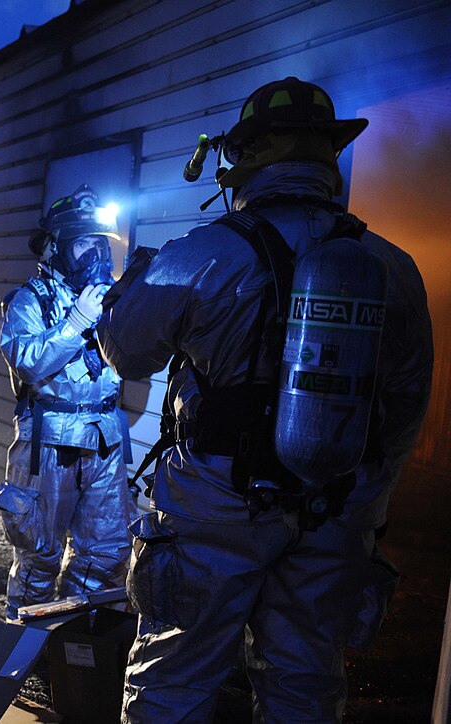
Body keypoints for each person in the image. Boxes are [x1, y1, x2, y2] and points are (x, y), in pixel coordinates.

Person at [94, 77, 433, 722]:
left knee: (176, 679)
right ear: (328, 157)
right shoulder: (393, 267)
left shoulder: (203, 252)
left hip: (214, 502)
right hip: (337, 505)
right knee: (305, 685)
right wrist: (366, 502)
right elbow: (407, 400)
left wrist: (134, 280)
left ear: (246, 155)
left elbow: (124, 352)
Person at [0, 184, 136, 621]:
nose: (95, 255)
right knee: (39, 554)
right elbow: (27, 362)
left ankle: (75, 649)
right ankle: (26, 654)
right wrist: (74, 324)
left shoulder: (111, 300)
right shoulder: (29, 300)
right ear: (57, 248)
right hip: (49, 442)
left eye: (101, 245)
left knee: (106, 553)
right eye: (84, 245)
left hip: (105, 440)